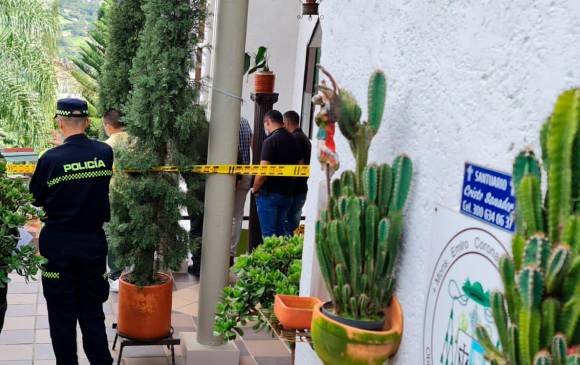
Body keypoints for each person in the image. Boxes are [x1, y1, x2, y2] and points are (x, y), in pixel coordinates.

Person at [29, 98, 114, 365]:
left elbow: (36, 198)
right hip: (93, 243)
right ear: (88, 122)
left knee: (61, 317)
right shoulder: (104, 153)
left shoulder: (50, 160)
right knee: (92, 313)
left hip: (59, 247)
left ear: (60, 122)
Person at [251, 110, 300, 237]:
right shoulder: (293, 139)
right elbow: (299, 166)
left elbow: (263, 172)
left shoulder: (270, 141)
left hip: (269, 195)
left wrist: (255, 189)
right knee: (280, 236)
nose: (265, 128)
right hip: (287, 194)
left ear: (268, 122)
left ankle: (270, 257)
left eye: (265, 125)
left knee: (269, 236)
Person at [102, 109, 128, 292]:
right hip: (136, 195)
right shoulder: (137, 141)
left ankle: (116, 274)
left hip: (114, 194)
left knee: (113, 233)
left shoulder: (107, 146)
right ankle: (132, 268)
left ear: (108, 126)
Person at [283, 111, 311, 234]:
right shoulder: (304, 138)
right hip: (301, 188)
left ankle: (288, 252)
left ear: (287, 122)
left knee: (289, 226)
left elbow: (299, 165)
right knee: (293, 225)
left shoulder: (295, 139)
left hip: (294, 190)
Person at [230, 117, 252, 265]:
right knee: (237, 216)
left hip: (231, 176)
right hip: (246, 173)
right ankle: (231, 253)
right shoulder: (245, 122)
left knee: (225, 215)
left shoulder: (227, 124)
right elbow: (253, 145)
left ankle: (221, 252)